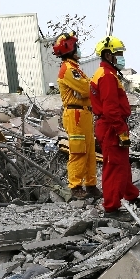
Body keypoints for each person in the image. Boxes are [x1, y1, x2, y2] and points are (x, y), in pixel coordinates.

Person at [90, 35, 140, 216]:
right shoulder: (107, 77)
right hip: (111, 126)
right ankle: (111, 207)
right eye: (118, 53)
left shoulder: (106, 74)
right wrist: (120, 130)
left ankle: (131, 195)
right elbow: (111, 108)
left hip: (111, 125)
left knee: (122, 164)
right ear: (108, 55)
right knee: (113, 166)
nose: (121, 56)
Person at [53, 31, 101, 200]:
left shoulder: (75, 69)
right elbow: (87, 89)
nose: (79, 49)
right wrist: (90, 90)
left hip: (84, 114)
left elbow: (88, 89)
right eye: (77, 46)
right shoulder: (67, 69)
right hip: (75, 115)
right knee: (79, 151)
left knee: (89, 152)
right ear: (70, 49)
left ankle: (90, 185)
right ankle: (75, 186)